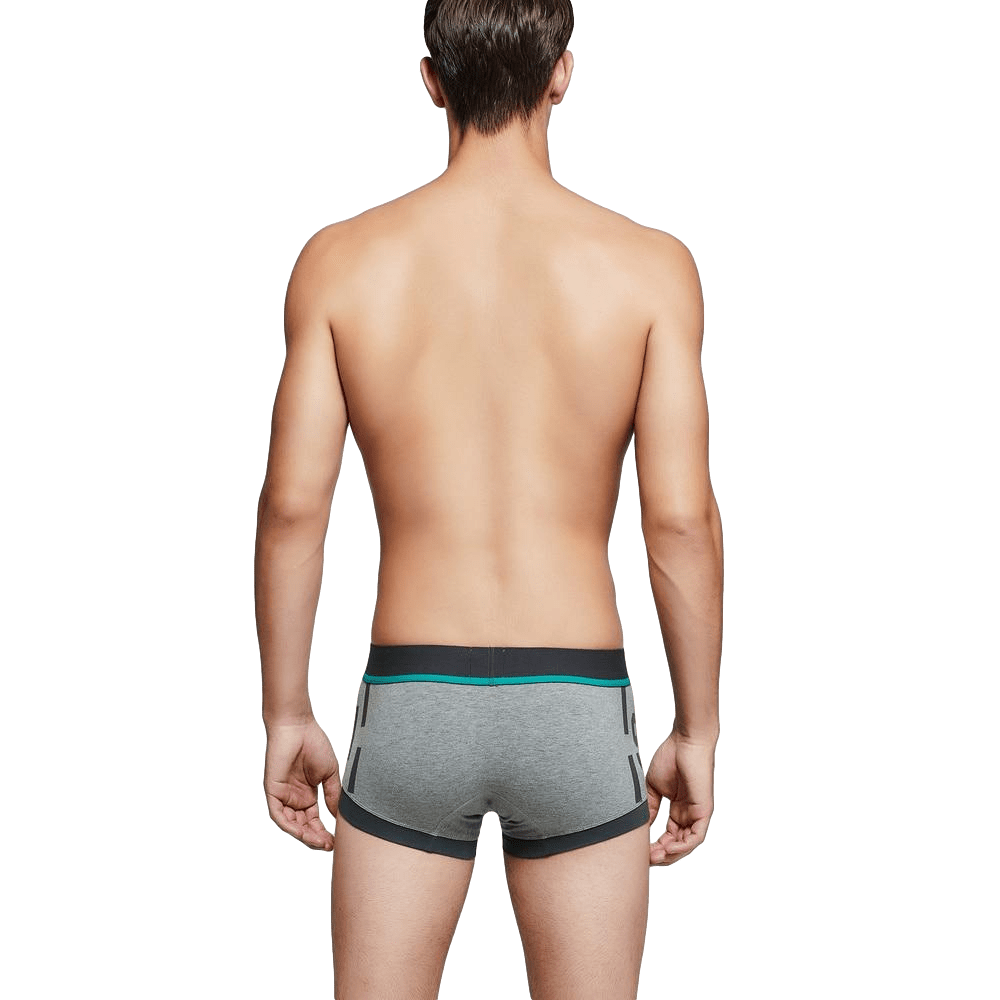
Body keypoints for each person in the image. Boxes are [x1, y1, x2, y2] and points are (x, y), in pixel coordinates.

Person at [254, 1, 723, 996]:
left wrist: (286, 711)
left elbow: (293, 507)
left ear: (431, 80)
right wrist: (698, 728)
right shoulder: (651, 267)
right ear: (562, 75)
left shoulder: (340, 260)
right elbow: (679, 520)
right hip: (578, 700)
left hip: (413, 695)